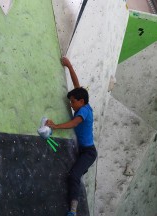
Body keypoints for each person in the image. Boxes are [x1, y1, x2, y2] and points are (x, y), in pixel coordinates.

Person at [46, 57, 97, 216]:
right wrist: (69, 66)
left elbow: (74, 123)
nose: (70, 104)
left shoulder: (83, 111)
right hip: (82, 150)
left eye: (72, 102)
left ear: (81, 102)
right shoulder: (84, 103)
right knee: (77, 173)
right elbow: (77, 86)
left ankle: (73, 211)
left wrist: (55, 126)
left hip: (88, 152)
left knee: (74, 176)